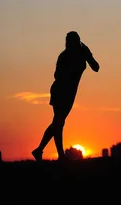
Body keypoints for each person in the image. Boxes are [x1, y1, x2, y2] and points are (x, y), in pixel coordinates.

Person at [32, 31, 99, 161]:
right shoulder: (64, 56)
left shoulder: (82, 53)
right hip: (60, 91)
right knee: (58, 122)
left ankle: (40, 150)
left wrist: (89, 54)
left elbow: (96, 67)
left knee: (57, 123)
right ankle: (59, 155)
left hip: (69, 93)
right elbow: (57, 76)